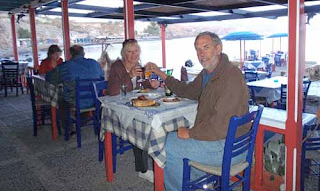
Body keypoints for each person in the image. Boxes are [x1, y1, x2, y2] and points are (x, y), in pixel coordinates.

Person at [146, 31, 249, 190]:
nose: (201, 54)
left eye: (206, 47)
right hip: (226, 140)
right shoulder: (210, 72)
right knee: (182, 141)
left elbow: (220, 125)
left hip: (228, 147)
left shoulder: (230, 76)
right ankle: (202, 185)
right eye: (198, 49)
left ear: (218, 48)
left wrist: (190, 133)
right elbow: (188, 91)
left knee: (170, 143)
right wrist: (161, 74)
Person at [107, 38, 159, 183]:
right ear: (124, 53)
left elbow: (144, 85)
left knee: (153, 123)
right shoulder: (117, 66)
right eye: (129, 51)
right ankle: (142, 170)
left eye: (135, 50)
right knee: (139, 126)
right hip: (117, 111)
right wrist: (129, 75)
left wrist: (153, 83)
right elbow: (112, 91)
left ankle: (159, 156)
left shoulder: (139, 66)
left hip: (135, 106)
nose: (133, 54)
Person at [46, 45, 104, 132]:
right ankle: (83, 120)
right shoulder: (94, 63)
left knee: (60, 100)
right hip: (95, 100)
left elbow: (50, 78)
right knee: (79, 97)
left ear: (71, 54)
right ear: (83, 53)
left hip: (75, 101)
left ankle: (69, 129)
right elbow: (102, 77)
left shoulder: (66, 66)